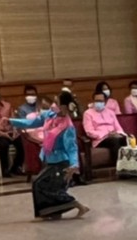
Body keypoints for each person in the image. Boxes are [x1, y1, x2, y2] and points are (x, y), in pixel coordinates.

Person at [13, 92, 88, 220]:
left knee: (40, 184)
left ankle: (77, 205)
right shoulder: (50, 116)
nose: (53, 105)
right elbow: (31, 123)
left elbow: (72, 148)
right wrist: (11, 121)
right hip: (49, 158)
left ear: (64, 107)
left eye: (57, 103)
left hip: (61, 162)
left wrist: (74, 164)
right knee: (50, 187)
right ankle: (53, 212)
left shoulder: (67, 127)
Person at [82, 88, 127, 161]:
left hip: (114, 136)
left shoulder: (111, 112)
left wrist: (119, 134)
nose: (98, 103)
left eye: (100, 101)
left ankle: (129, 166)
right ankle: (118, 166)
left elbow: (118, 127)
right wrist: (107, 135)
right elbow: (89, 131)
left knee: (126, 139)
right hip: (100, 139)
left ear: (105, 102)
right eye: (96, 101)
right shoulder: (88, 113)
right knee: (114, 141)